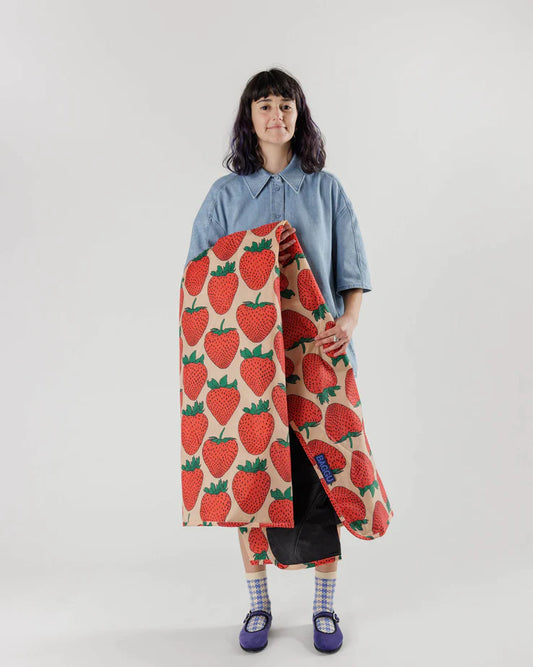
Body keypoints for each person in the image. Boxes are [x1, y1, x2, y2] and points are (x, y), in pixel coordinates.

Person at [183, 68, 373, 654]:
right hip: (248, 366)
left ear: (299, 114)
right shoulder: (225, 195)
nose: (276, 115)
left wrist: (347, 323)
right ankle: (258, 604)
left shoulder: (325, 189)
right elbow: (198, 276)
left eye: (285, 105)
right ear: (250, 117)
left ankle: (324, 607)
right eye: (264, 105)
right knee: (252, 480)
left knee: (324, 475)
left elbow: (352, 270)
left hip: (318, 358)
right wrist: (260, 250)